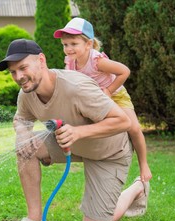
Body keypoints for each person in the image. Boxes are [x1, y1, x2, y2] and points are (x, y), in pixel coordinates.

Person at [0, 39, 150, 221]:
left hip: (109, 152)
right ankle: (34, 219)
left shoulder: (75, 87)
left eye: (23, 67)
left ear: (41, 60)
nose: (18, 76)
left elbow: (123, 122)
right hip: (71, 143)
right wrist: (22, 133)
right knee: (26, 146)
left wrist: (78, 132)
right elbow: (21, 119)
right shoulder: (26, 94)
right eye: (13, 72)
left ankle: (137, 188)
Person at [53, 18, 153, 187]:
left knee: (134, 128)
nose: (68, 49)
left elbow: (124, 71)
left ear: (88, 44)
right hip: (95, 100)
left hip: (116, 95)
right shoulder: (70, 62)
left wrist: (108, 91)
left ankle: (144, 165)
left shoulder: (97, 61)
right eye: (65, 44)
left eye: (73, 44)